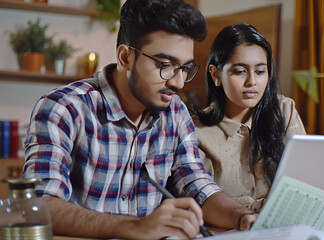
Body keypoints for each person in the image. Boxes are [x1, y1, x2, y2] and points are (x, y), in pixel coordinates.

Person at [23, 1, 257, 239]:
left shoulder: (175, 112)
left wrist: (242, 216)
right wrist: (135, 227)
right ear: (125, 57)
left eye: (185, 68)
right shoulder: (64, 109)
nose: (177, 82)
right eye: (165, 65)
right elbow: (38, 205)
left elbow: (196, 183)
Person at [193, 24, 306, 212]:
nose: (252, 81)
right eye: (240, 71)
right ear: (216, 75)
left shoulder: (284, 111)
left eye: (260, 71)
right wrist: (257, 206)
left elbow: (305, 177)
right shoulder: (196, 132)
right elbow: (201, 199)